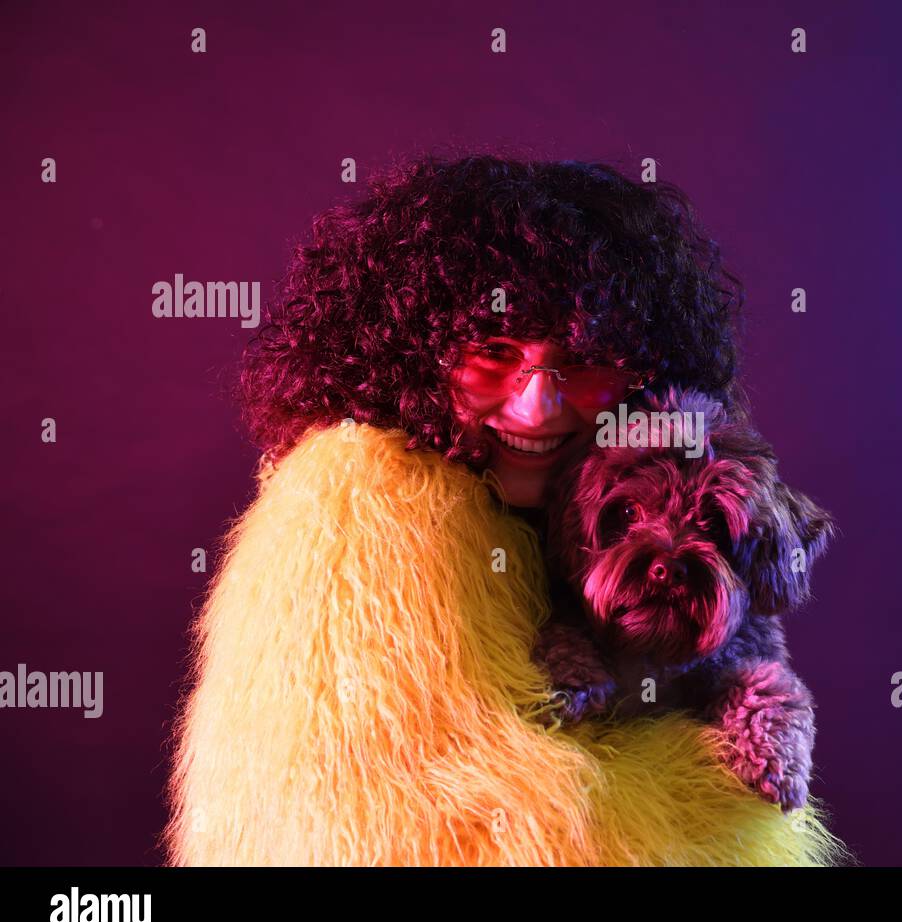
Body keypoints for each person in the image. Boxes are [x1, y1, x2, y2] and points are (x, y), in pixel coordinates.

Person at [163, 154, 845, 865]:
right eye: (493, 353)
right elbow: (449, 830)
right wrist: (714, 795)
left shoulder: (569, 496)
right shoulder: (364, 514)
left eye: (582, 362)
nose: (537, 406)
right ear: (411, 352)